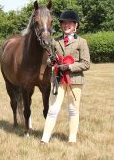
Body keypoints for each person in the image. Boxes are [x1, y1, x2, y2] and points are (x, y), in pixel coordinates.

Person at [41, 9, 90, 145]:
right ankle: (44, 139)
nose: (66, 25)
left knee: (73, 110)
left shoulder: (82, 42)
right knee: (53, 109)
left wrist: (69, 67)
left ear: (75, 25)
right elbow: (49, 61)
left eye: (70, 23)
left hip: (75, 80)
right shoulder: (55, 41)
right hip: (58, 80)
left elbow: (86, 63)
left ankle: (72, 140)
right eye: (64, 23)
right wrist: (51, 61)